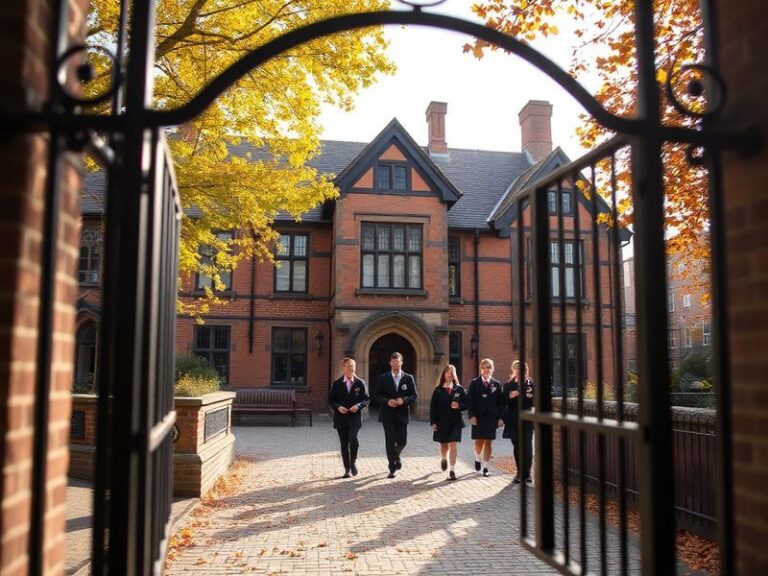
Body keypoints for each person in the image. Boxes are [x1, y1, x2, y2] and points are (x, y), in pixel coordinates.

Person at [375, 352, 418, 478]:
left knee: (402, 441)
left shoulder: (408, 378)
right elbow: (376, 395)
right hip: (387, 415)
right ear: (390, 363)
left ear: (401, 362)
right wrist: (387, 401)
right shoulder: (383, 378)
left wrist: (403, 400)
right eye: (393, 361)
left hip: (402, 414)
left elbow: (414, 395)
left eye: (398, 361)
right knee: (390, 440)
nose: (396, 363)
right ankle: (392, 467)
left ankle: (396, 456)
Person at [328, 358, 369, 479]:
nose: (352, 369)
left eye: (353, 366)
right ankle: (347, 470)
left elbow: (366, 399)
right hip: (341, 418)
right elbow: (331, 400)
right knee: (344, 444)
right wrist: (338, 407)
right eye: (349, 366)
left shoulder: (360, 383)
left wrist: (358, 406)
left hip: (355, 417)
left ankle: (353, 461)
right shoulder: (336, 384)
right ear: (343, 368)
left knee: (353, 438)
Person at [466, 358, 504, 477]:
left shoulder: (496, 384)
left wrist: (501, 418)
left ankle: (486, 467)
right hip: (478, 417)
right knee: (479, 442)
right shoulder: (474, 383)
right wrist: (471, 415)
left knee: (488, 443)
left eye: (489, 367)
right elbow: (470, 401)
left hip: (491, 417)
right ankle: (477, 458)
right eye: (485, 367)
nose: (487, 369)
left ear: (492, 369)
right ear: (481, 369)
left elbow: (501, 403)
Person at [429, 364, 467, 481]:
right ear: (444, 374)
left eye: (452, 372)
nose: (450, 374)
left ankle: (452, 470)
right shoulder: (438, 390)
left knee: (453, 444)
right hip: (441, 422)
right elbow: (433, 408)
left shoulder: (459, 389)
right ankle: (444, 458)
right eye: (447, 372)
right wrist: (433, 422)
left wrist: (459, 406)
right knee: (444, 444)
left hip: (456, 421)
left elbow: (466, 404)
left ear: (454, 374)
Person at [502, 360, 535, 485]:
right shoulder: (508, 385)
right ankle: (519, 472)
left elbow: (534, 401)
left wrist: (519, 393)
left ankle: (527, 473)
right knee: (517, 446)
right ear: (513, 371)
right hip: (513, 421)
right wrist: (510, 397)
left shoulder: (531, 384)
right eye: (516, 370)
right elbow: (503, 401)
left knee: (527, 445)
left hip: (527, 420)